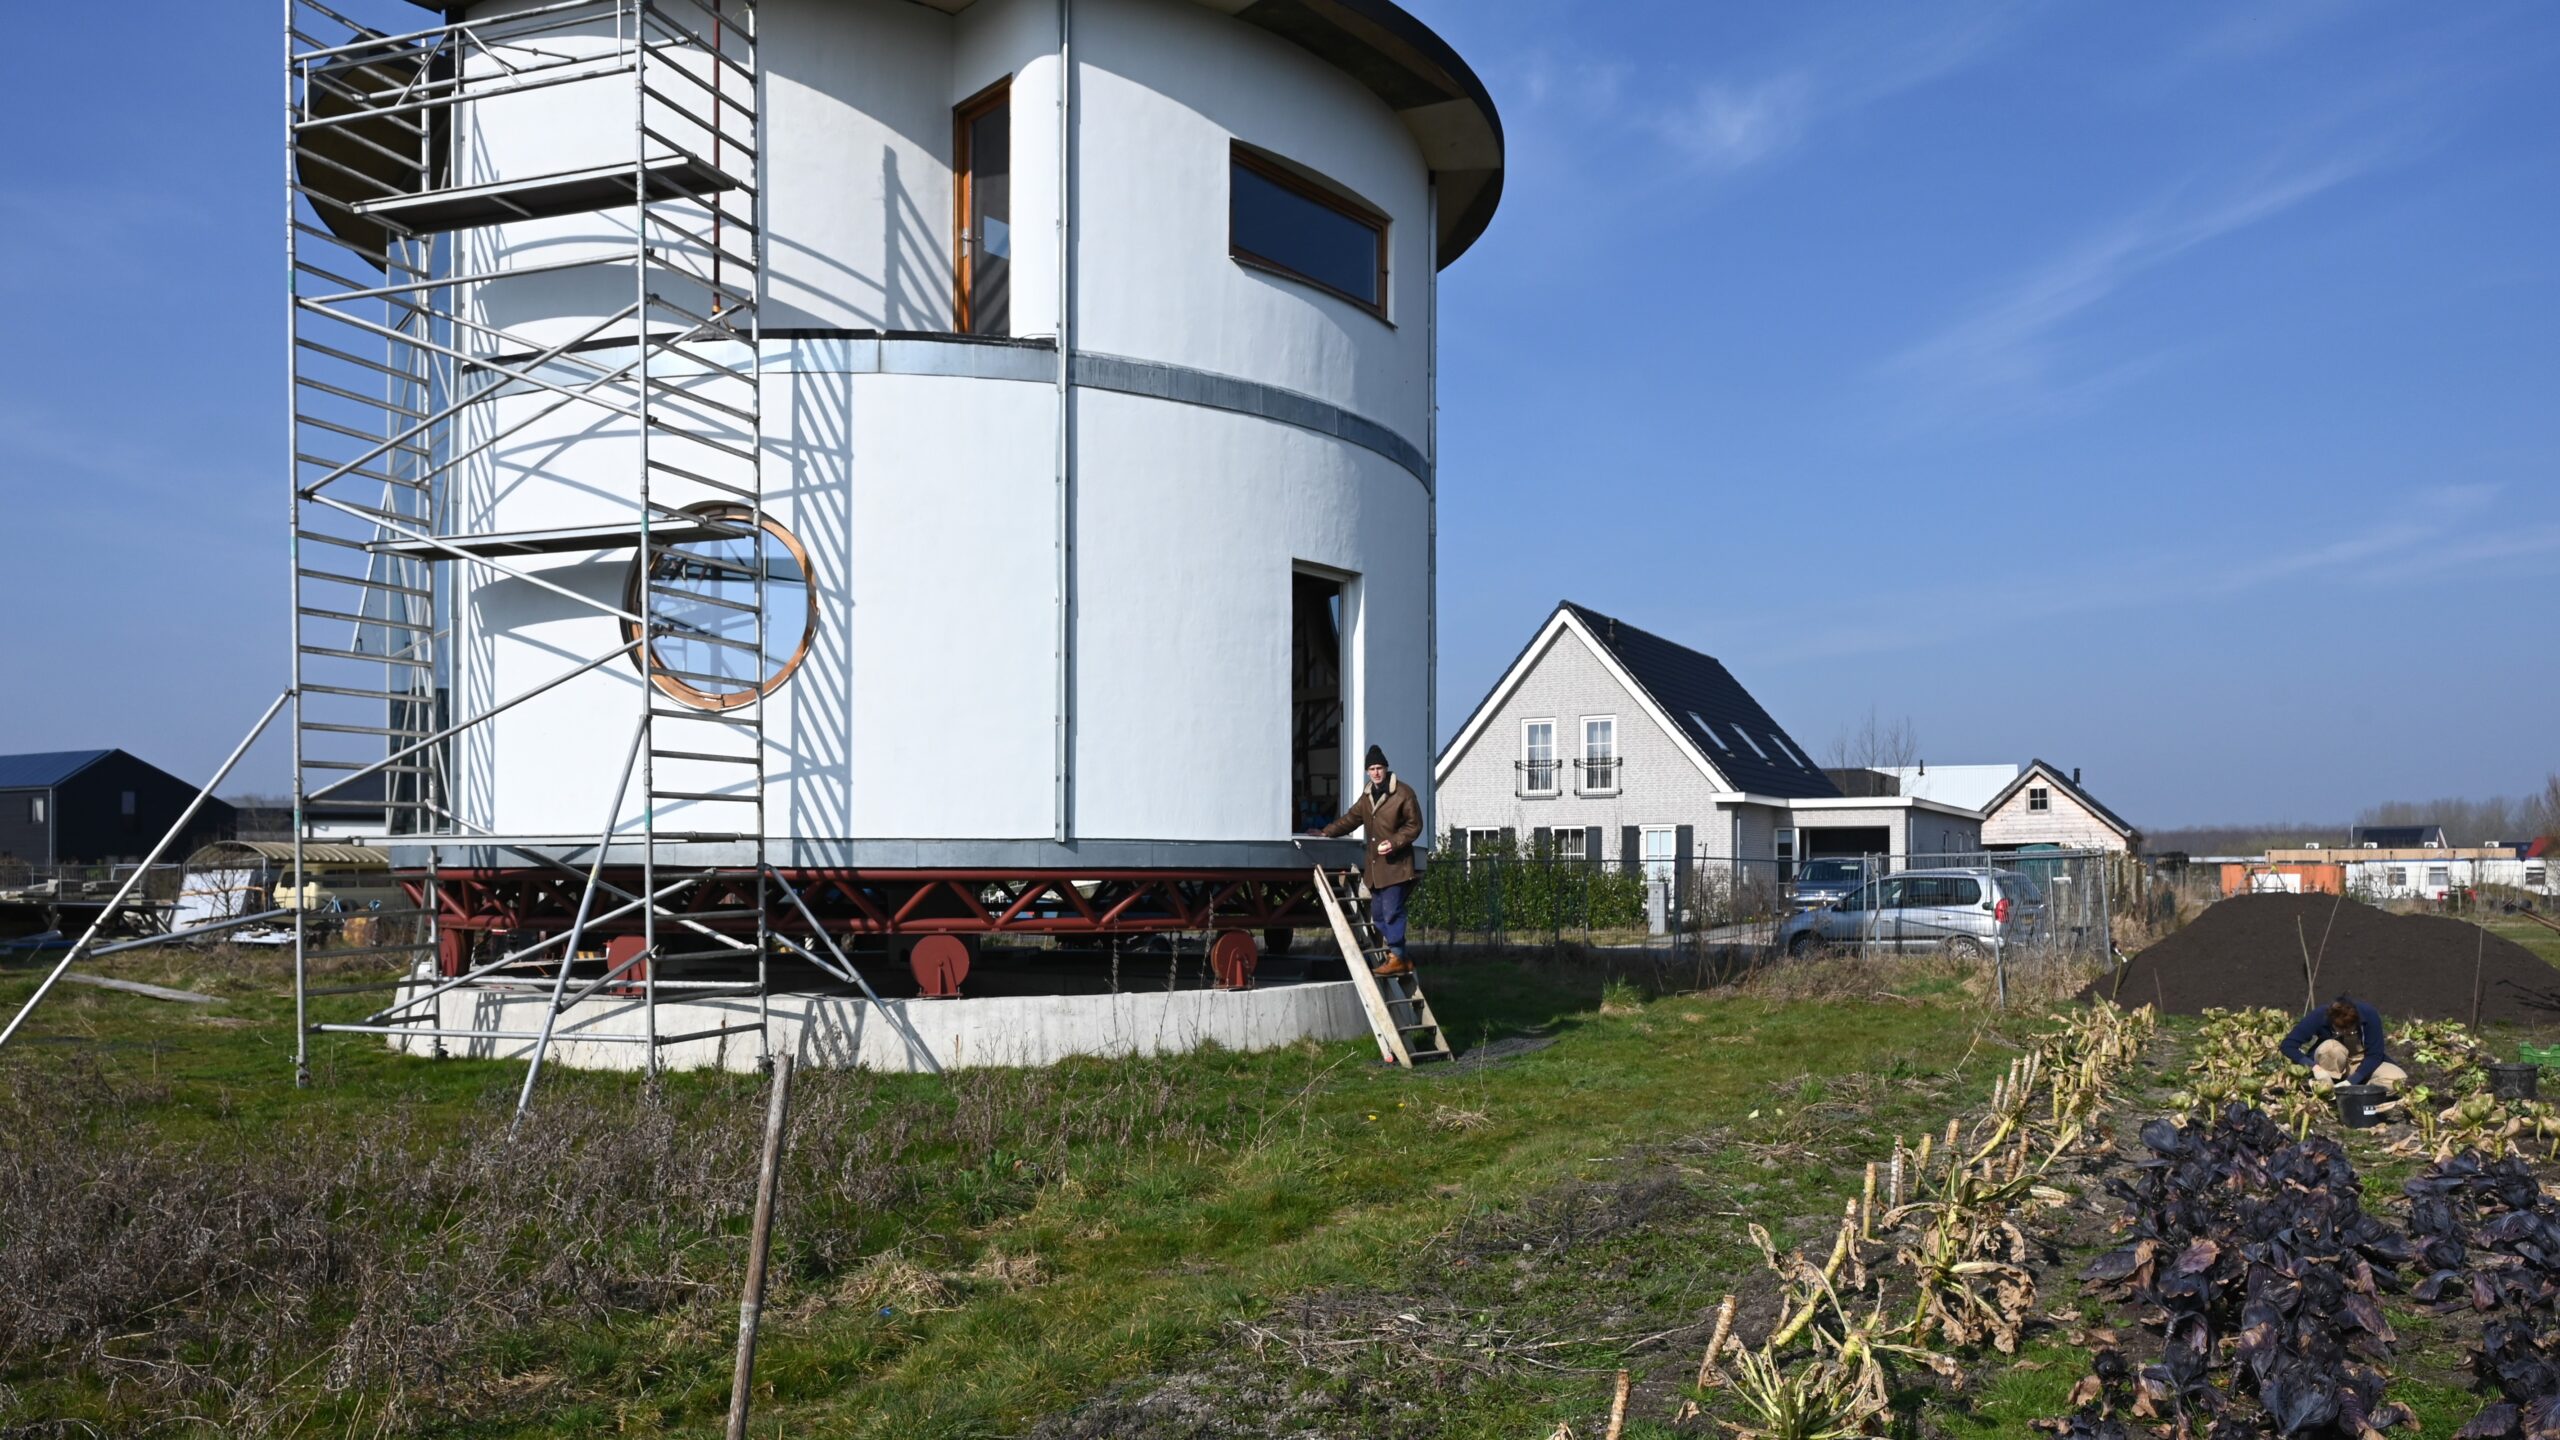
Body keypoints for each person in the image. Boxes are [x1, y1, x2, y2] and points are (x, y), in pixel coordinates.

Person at [1315, 745, 1422, 977]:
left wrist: (1394, 842)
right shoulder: (1366, 797)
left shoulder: (1404, 794)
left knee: (1392, 911)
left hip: (1397, 866)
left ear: (1386, 768)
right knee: (1378, 914)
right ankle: (1402, 957)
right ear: (1367, 772)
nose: (1376, 773)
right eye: (1372, 769)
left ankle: (1396, 957)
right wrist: (1326, 832)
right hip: (1375, 869)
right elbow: (1351, 819)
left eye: (1379, 768)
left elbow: (1415, 826)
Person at [2279, 995, 2408, 1090]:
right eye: (2340, 1030)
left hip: (2362, 1063)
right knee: (2331, 1048)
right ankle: (2327, 1089)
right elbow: (2288, 1045)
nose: (2346, 1033)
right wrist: (2314, 1067)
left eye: (2349, 1030)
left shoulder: (2369, 1015)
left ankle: (2355, 1092)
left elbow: (2375, 1055)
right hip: (2331, 1061)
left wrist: (2352, 1081)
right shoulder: (2320, 1015)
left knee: (2398, 1081)